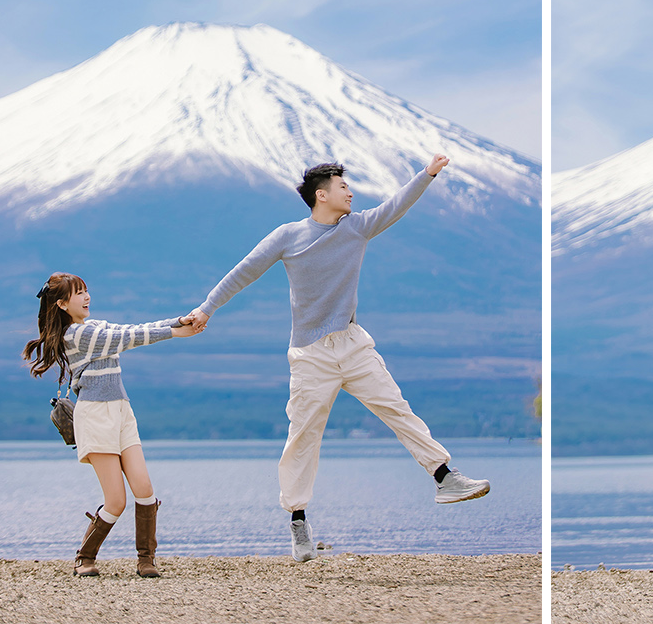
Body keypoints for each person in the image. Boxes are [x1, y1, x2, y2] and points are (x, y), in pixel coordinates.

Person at [186, 156, 491, 564]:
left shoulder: (356, 227)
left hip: (352, 345)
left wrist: (428, 174)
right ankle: (298, 520)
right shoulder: (288, 236)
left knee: (397, 408)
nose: (350, 192)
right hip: (311, 355)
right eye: (343, 186)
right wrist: (206, 308)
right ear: (321, 195)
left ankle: (444, 477)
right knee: (303, 435)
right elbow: (245, 271)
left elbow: (396, 206)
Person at [23, 272, 205, 577]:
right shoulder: (76, 335)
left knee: (144, 489)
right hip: (95, 416)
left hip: (121, 412)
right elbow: (126, 340)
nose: (86, 297)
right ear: (63, 304)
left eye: (86, 290)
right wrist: (176, 332)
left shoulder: (94, 326)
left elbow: (133, 328)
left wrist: (179, 321)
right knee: (116, 501)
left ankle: (146, 559)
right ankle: (85, 557)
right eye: (79, 293)